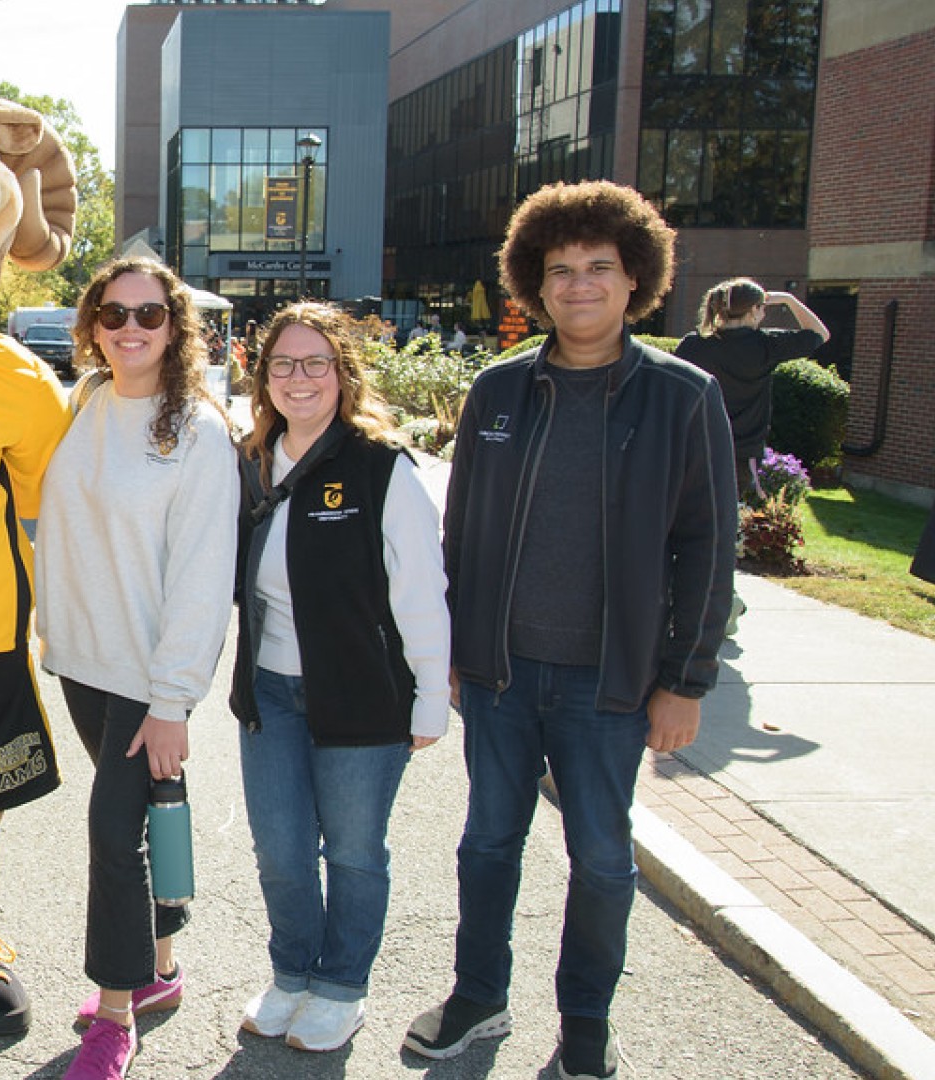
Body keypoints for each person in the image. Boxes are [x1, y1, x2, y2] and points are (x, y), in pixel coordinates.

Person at [404, 180, 735, 1080]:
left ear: (635, 280)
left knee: (601, 858)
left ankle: (586, 1021)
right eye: (560, 270)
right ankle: (479, 996)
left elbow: (709, 548)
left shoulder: (683, 396)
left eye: (599, 267)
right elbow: (462, 533)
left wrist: (686, 681)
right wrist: (454, 653)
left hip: (611, 684)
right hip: (502, 677)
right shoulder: (499, 390)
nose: (579, 284)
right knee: (487, 844)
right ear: (535, 284)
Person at [34, 257, 238, 1079]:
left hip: (146, 677)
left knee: (114, 836)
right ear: (93, 323)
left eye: (149, 314)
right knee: (152, 817)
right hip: (82, 660)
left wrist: (172, 702)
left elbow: (202, 577)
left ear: (175, 326)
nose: (130, 328)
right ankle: (158, 969)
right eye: (114, 313)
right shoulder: (85, 398)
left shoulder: (198, 431)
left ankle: (115, 1015)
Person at [231, 301, 451, 1055]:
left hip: (362, 697)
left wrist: (430, 697)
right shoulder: (251, 462)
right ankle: (292, 974)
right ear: (264, 377)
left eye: (316, 363)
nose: (299, 378)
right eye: (283, 364)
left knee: (353, 853)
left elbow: (421, 593)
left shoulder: (383, 469)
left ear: (343, 374)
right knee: (281, 851)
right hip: (270, 694)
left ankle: (341, 988)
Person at [673, 278, 829, 499]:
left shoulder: (692, 345)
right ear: (753, 310)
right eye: (762, 308)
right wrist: (788, 299)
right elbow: (820, 334)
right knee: (723, 515)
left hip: (693, 448)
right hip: (741, 455)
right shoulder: (766, 345)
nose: (763, 314)